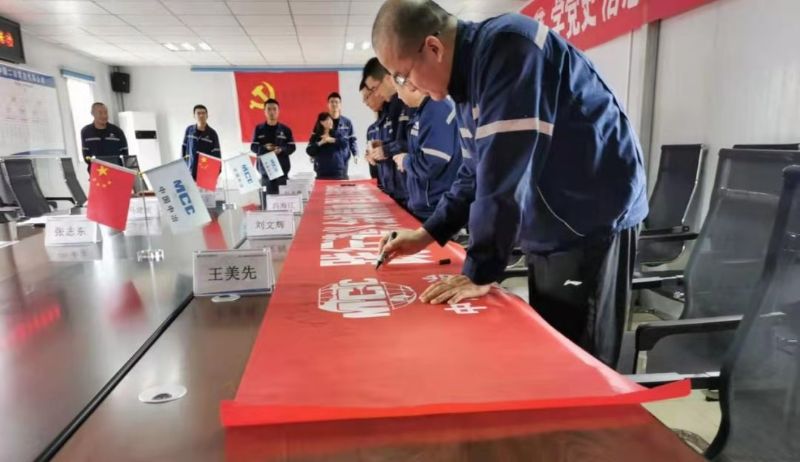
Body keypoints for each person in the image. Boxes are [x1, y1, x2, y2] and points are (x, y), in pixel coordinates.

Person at [373, 0, 648, 366]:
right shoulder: (468, 81)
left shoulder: (509, 48)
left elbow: (503, 176)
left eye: (403, 76)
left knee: (581, 360)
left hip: (590, 216)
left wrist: (480, 271)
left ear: (433, 48)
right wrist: (426, 234)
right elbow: (474, 173)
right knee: (553, 348)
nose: (406, 88)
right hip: (552, 220)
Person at [392, 81, 462, 221]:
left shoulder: (436, 109)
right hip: (428, 206)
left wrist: (405, 161)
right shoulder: (424, 110)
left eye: (398, 90)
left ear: (410, 85)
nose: (399, 96)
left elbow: (432, 162)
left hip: (437, 208)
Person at [363, 58, 410, 207]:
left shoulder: (413, 105)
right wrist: (381, 148)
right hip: (396, 190)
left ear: (388, 79)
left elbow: (415, 145)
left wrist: (387, 149)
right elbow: (400, 141)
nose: (376, 94)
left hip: (413, 193)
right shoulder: (391, 108)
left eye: (374, 89)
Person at [250, 99, 296, 194]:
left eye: (274, 109)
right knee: (266, 201)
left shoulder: (286, 129)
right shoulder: (258, 129)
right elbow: (253, 147)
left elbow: (292, 147)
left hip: (282, 174)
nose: (272, 112)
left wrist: (281, 149)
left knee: (283, 201)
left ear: (278, 111)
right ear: (264, 111)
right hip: (265, 173)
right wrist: (264, 148)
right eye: (269, 109)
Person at [80, 102, 128, 172]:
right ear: (92, 113)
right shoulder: (86, 131)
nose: (104, 116)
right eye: (100, 113)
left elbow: (125, 154)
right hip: (97, 172)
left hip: (116, 172)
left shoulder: (117, 131)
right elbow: (86, 156)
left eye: (106, 112)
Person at [306, 112, 351, 180]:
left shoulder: (338, 133)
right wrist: (321, 142)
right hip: (321, 171)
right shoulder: (316, 136)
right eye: (326, 120)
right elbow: (309, 151)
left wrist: (332, 140)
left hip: (337, 170)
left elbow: (345, 144)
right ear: (321, 122)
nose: (329, 122)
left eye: (330, 119)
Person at [181, 104, 221, 180]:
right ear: (194, 116)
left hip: (205, 174)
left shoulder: (212, 133)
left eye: (203, 113)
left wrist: (214, 174)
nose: (201, 115)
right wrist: (182, 168)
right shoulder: (189, 130)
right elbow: (184, 148)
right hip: (190, 171)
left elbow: (217, 155)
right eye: (198, 113)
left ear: (207, 116)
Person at [360, 79, 382, 181]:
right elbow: (370, 151)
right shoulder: (371, 129)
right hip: (376, 178)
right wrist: (368, 155)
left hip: (394, 180)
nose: (366, 102)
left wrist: (386, 149)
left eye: (367, 97)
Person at [326, 92, 358, 163]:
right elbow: (316, 139)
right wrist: (313, 154)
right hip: (326, 161)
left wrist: (355, 154)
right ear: (328, 104)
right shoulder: (322, 122)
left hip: (343, 161)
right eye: (332, 102)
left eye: (336, 102)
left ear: (340, 105)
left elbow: (352, 140)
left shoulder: (347, 122)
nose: (334, 104)